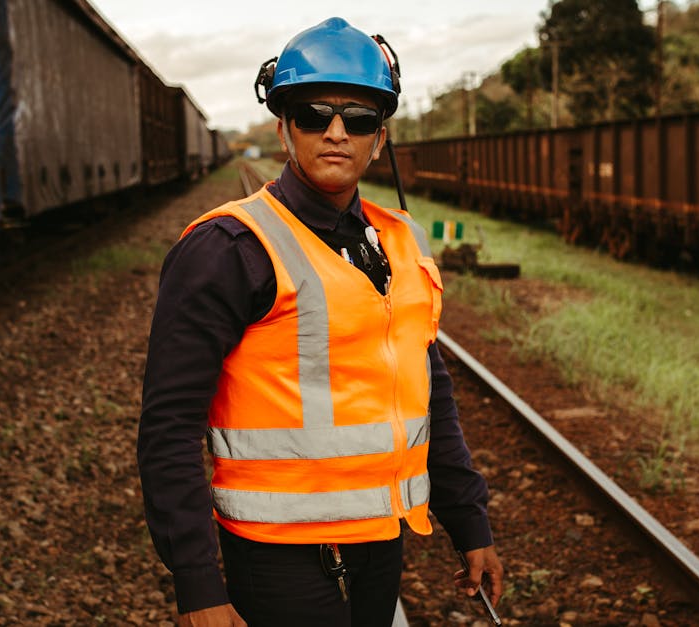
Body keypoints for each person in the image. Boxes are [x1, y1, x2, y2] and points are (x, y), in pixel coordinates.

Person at [137, 17, 503, 627]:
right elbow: (169, 426)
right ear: (285, 128)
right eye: (314, 115)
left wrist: (469, 521)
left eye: (358, 119)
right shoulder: (229, 248)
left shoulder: (401, 240)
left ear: (379, 140)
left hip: (381, 539)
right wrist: (199, 584)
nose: (337, 133)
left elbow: (429, 389)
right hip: (277, 551)